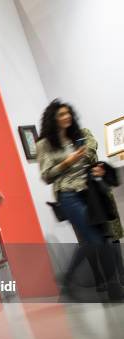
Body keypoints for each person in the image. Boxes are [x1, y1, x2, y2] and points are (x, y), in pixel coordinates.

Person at [37, 99, 123, 300]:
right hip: (67, 194)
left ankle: (107, 287)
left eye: (68, 113)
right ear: (53, 119)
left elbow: (89, 160)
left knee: (101, 238)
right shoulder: (45, 144)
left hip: (89, 193)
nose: (66, 117)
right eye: (61, 114)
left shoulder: (78, 137)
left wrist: (96, 168)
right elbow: (46, 175)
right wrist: (69, 161)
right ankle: (107, 287)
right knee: (94, 239)